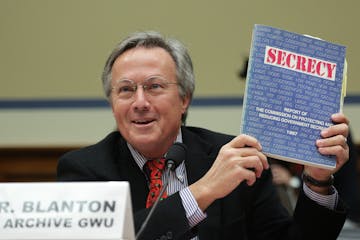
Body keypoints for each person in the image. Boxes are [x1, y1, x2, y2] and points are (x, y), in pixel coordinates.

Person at [57, 31, 350, 240]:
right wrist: (202, 191)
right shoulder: (84, 169)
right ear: (112, 104)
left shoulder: (238, 158)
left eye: (155, 86)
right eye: (126, 89)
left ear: (185, 98)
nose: (140, 102)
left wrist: (318, 182)